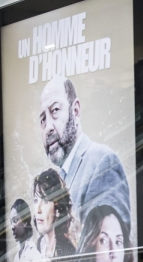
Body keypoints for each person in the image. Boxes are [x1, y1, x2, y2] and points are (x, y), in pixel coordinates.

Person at [38, 76, 130, 228]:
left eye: (55, 110)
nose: (48, 127)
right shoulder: (60, 178)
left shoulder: (102, 162)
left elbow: (113, 245)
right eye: (42, 119)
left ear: (75, 110)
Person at [32, 169, 76, 262]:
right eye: (36, 200)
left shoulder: (68, 251)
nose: (38, 210)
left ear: (57, 208)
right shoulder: (40, 244)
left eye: (45, 201)